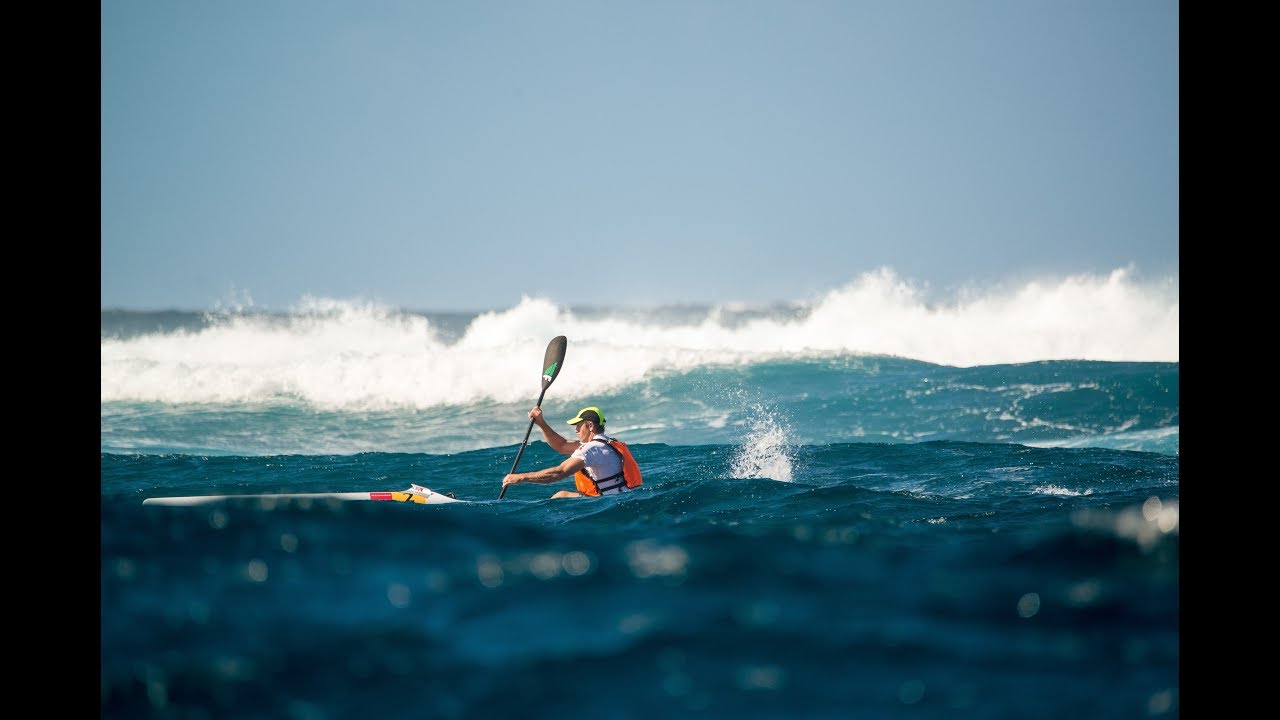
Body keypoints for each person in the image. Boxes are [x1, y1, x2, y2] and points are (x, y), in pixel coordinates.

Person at [501, 406, 642, 499]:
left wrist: (521, 477)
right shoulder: (605, 444)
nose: (575, 430)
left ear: (590, 426)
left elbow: (559, 473)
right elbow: (561, 445)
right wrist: (541, 423)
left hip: (609, 502)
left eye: (578, 426)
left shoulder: (592, 449)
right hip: (624, 497)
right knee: (562, 495)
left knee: (560, 496)